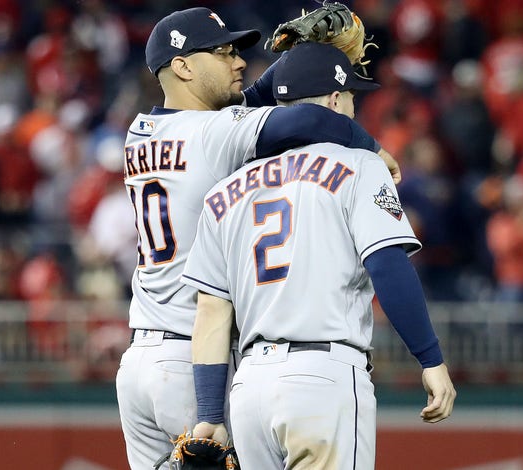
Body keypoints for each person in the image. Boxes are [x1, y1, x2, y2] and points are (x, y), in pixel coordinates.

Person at [116, 9, 400, 470]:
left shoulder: (141, 130)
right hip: (197, 360)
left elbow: (243, 104)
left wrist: (292, 63)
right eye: (224, 52)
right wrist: (370, 147)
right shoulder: (214, 133)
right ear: (184, 65)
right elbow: (309, 121)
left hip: (140, 365)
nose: (239, 62)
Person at [182, 42, 456, 469]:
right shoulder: (360, 165)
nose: (353, 107)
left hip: (249, 389)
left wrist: (210, 416)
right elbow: (386, 263)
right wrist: (430, 358)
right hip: (321, 376)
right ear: (333, 99)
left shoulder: (223, 192)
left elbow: (212, 314)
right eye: (350, 96)